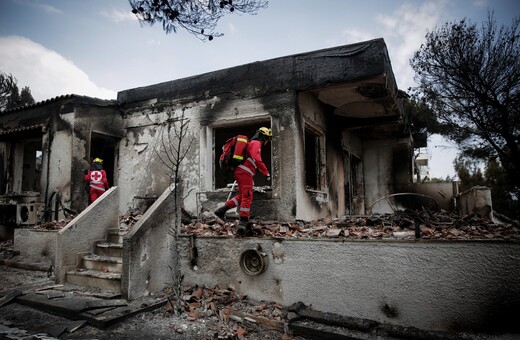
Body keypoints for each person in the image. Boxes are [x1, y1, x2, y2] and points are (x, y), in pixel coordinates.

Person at [214, 127, 272, 235]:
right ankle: (243, 222)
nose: (266, 142)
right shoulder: (256, 143)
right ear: (263, 136)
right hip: (245, 172)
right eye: (267, 139)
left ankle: (221, 210)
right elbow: (257, 158)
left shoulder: (251, 143)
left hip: (241, 172)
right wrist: (266, 172)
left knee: (242, 196)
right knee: (248, 196)